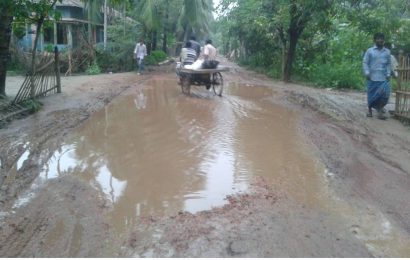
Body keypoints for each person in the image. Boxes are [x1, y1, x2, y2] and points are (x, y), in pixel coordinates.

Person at [362, 33, 391, 120]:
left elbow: (389, 64)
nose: (380, 40)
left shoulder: (387, 52)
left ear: (383, 40)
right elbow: (365, 62)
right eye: (378, 39)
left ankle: (380, 111)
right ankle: (369, 110)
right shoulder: (369, 51)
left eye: (381, 39)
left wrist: (388, 73)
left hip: (383, 77)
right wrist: (367, 72)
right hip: (372, 77)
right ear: (374, 40)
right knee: (371, 94)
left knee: (383, 95)